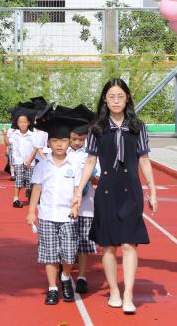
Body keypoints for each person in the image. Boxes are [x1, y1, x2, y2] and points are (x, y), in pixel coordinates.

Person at [72, 79, 158, 315]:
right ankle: (114, 291)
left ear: (127, 98)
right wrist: (79, 191)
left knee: (130, 243)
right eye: (112, 96)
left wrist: (152, 189)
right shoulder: (96, 128)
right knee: (109, 246)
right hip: (106, 191)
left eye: (120, 96)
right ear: (105, 100)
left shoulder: (138, 127)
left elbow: (144, 159)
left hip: (131, 190)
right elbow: (90, 161)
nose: (116, 101)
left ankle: (128, 294)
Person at [26, 122, 81, 305]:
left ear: (69, 142)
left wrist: (75, 207)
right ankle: (52, 288)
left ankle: (65, 277)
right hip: (47, 215)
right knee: (49, 254)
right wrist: (31, 211)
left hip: (68, 216)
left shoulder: (75, 165)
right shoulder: (42, 165)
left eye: (63, 140)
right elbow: (37, 189)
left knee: (69, 253)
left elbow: (78, 189)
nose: (59, 144)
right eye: (55, 140)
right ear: (49, 143)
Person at [68, 110, 99, 294]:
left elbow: (98, 178)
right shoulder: (62, 153)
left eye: (81, 139)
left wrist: (92, 178)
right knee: (67, 241)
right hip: (66, 206)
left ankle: (81, 277)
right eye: (74, 139)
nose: (77, 142)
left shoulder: (91, 155)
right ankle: (65, 272)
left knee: (84, 243)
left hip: (86, 206)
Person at [6, 110, 37, 208]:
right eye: (20, 122)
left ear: (28, 123)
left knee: (30, 180)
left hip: (30, 162)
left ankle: (30, 193)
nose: (22, 124)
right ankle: (15, 199)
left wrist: (30, 160)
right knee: (19, 179)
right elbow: (7, 143)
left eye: (24, 122)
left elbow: (35, 148)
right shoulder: (15, 134)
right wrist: (4, 134)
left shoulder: (32, 134)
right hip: (18, 161)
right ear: (17, 123)